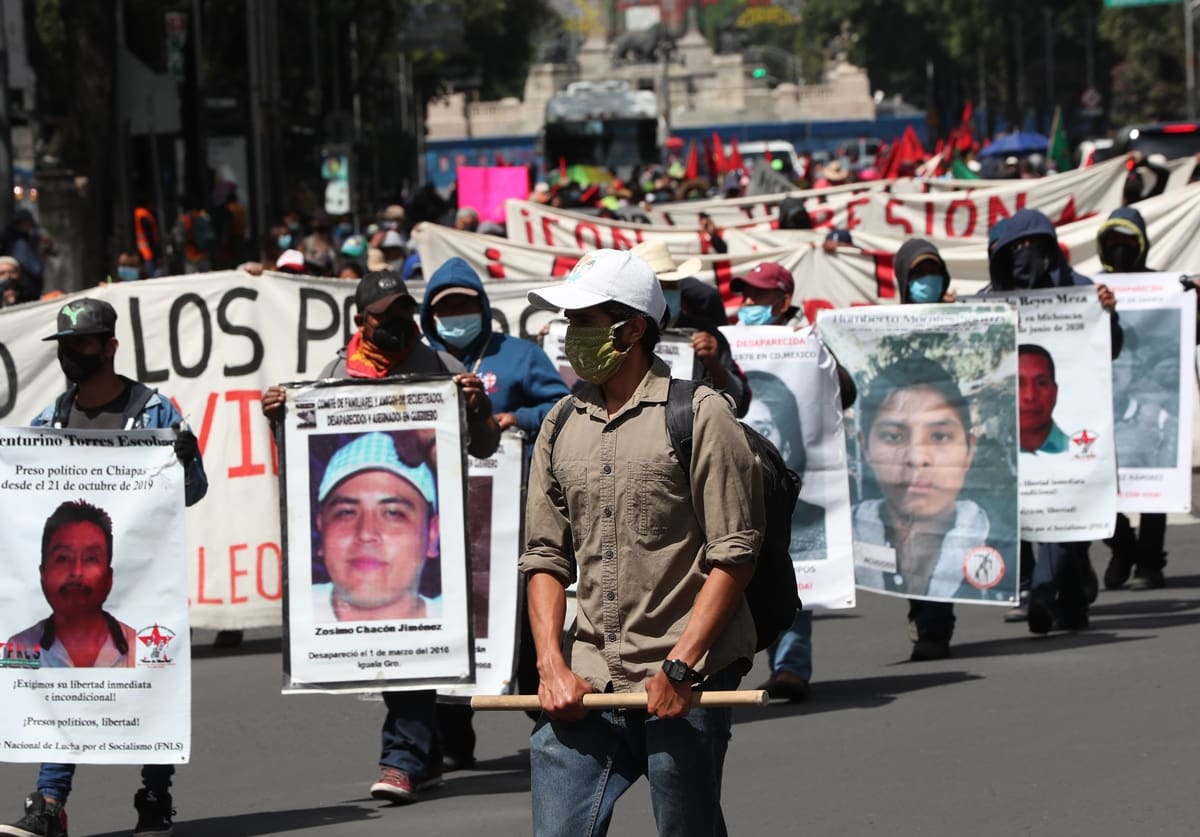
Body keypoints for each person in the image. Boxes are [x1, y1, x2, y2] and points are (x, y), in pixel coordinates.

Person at [520, 249, 764, 837]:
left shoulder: (700, 415)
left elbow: (735, 554)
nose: (572, 335)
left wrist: (681, 666)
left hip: (684, 675)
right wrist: (551, 665)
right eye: (569, 321)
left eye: (585, 321)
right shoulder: (558, 424)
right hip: (587, 676)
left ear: (632, 330)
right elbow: (545, 556)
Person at [261, 270, 500, 805]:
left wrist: (478, 406)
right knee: (392, 644)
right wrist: (280, 419)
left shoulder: (442, 367)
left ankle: (401, 759)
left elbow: (484, 447)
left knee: (411, 641)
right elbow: (302, 447)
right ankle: (424, 754)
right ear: (360, 321)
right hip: (390, 549)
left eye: (403, 314)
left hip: (433, 532)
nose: (397, 324)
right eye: (384, 317)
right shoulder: (334, 376)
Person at [2, 297, 208, 837]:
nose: (73, 354)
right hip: (74, 586)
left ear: (111, 346)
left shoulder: (157, 413)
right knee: (57, 685)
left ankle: (155, 796)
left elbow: (193, 492)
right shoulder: (50, 420)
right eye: (65, 346)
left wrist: (187, 457)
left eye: (84, 343)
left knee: (151, 684)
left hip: (141, 581)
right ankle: (50, 803)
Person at [418, 257, 571, 770]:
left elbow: (563, 407)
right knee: (452, 620)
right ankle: (451, 741)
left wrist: (515, 416)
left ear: (482, 307)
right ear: (430, 315)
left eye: (465, 305)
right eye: (446, 309)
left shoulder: (519, 356)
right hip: (441, 515)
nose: (455, 315)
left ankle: (549, 725)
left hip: (512, 509)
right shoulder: (422, 359)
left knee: (523, 619)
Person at [984, 208, 1121, 633]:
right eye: (1016, 249)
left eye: (1034, 247)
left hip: (1072, 426)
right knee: (1035, 516)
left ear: (1050, 249)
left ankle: (1055, 594)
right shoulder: (993, 300)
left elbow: (1112, 348)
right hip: (1014, 432)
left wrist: (1109, 314)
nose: (1025, 256)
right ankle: (1052, 595)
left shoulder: (1081, 292)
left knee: (1066, 517)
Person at [853, 356, 1014, 603]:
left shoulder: (1005, 546)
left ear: (969, 450)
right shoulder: (836, 541)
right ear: (865, 448)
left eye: (939, 436)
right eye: (893, 437)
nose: (917, 458)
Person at [1095, 207, 1169, 591]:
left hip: (1146, 396)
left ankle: (1150, 562)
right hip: (1101, 399)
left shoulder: (1165, 287)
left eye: (1128, 242)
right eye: (1113, 242)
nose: (1120, 250)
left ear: (1142, 244)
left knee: (1158, 476)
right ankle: (1123, 546)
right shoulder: (1090, 288)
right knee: (1096, 482)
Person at [311, 433, 441, 622]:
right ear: (321, 528)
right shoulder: (293, 613)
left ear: (432, 536)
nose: (366, 533)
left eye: (393, 513)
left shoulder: (461, 621)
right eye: (346, 512)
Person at [4, 501, 136, 668]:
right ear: (43, 573)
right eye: (62, 558)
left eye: (91, 558)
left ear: (109, 578)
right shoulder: (18, 650)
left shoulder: (138, 649)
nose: (76, 571)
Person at [630, 239, 750, 416]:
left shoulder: (706, 334)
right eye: (661, 287)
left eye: (673, 286)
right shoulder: (623, 333)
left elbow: (740, 404)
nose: (669, 294)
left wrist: (715, 366)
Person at [1018, 345, 1069, 454]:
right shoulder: (990, 453)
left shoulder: (1075, 450)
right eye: (1018, 384)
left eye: (1041, 383)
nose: (1030, 396)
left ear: (1055, 392)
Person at [1, 209, 46, 299]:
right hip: (24, 292)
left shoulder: (15, 240)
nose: (30, 228)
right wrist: (41, 254)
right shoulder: (19, 243)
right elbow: (36, 269)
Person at [172, 195, 213, 274]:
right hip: (204, 255)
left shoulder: (182, 220)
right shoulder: (202, 216)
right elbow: (210, 234)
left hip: (190, 257)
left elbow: (179, 240)